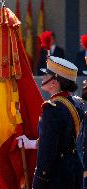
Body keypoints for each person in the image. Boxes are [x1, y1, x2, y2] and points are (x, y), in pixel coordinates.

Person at [17, 56, 85, 189]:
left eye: (46, 74)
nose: (42, 77)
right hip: (75, 171)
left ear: (54, 82)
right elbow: (60, 139)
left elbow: (47, 152)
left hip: (57, 176)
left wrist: (40, 180)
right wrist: (31, 143)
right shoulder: (77, 103)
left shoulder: (52, 109)